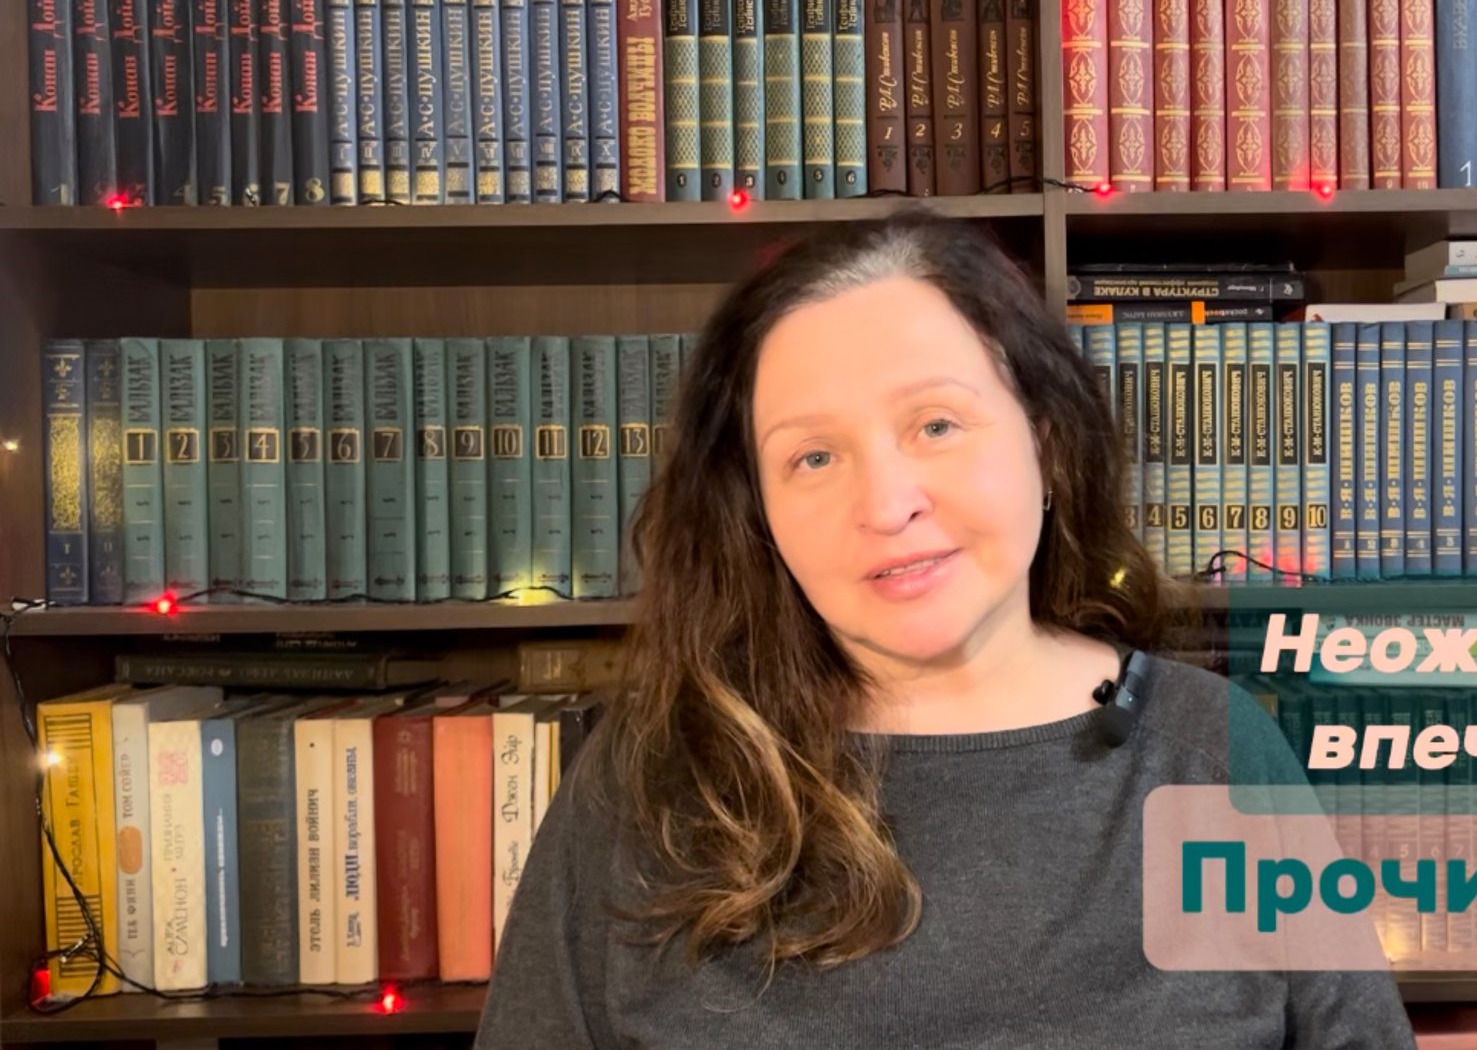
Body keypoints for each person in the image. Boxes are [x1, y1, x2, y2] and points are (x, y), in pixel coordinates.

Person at [473, 209, 1417, 1048]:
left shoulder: (1214, 753)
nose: (887, 505)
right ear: (756, 509)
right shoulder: (649, 780)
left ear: (1046, 441)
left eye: (936, 425)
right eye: (813, 456)